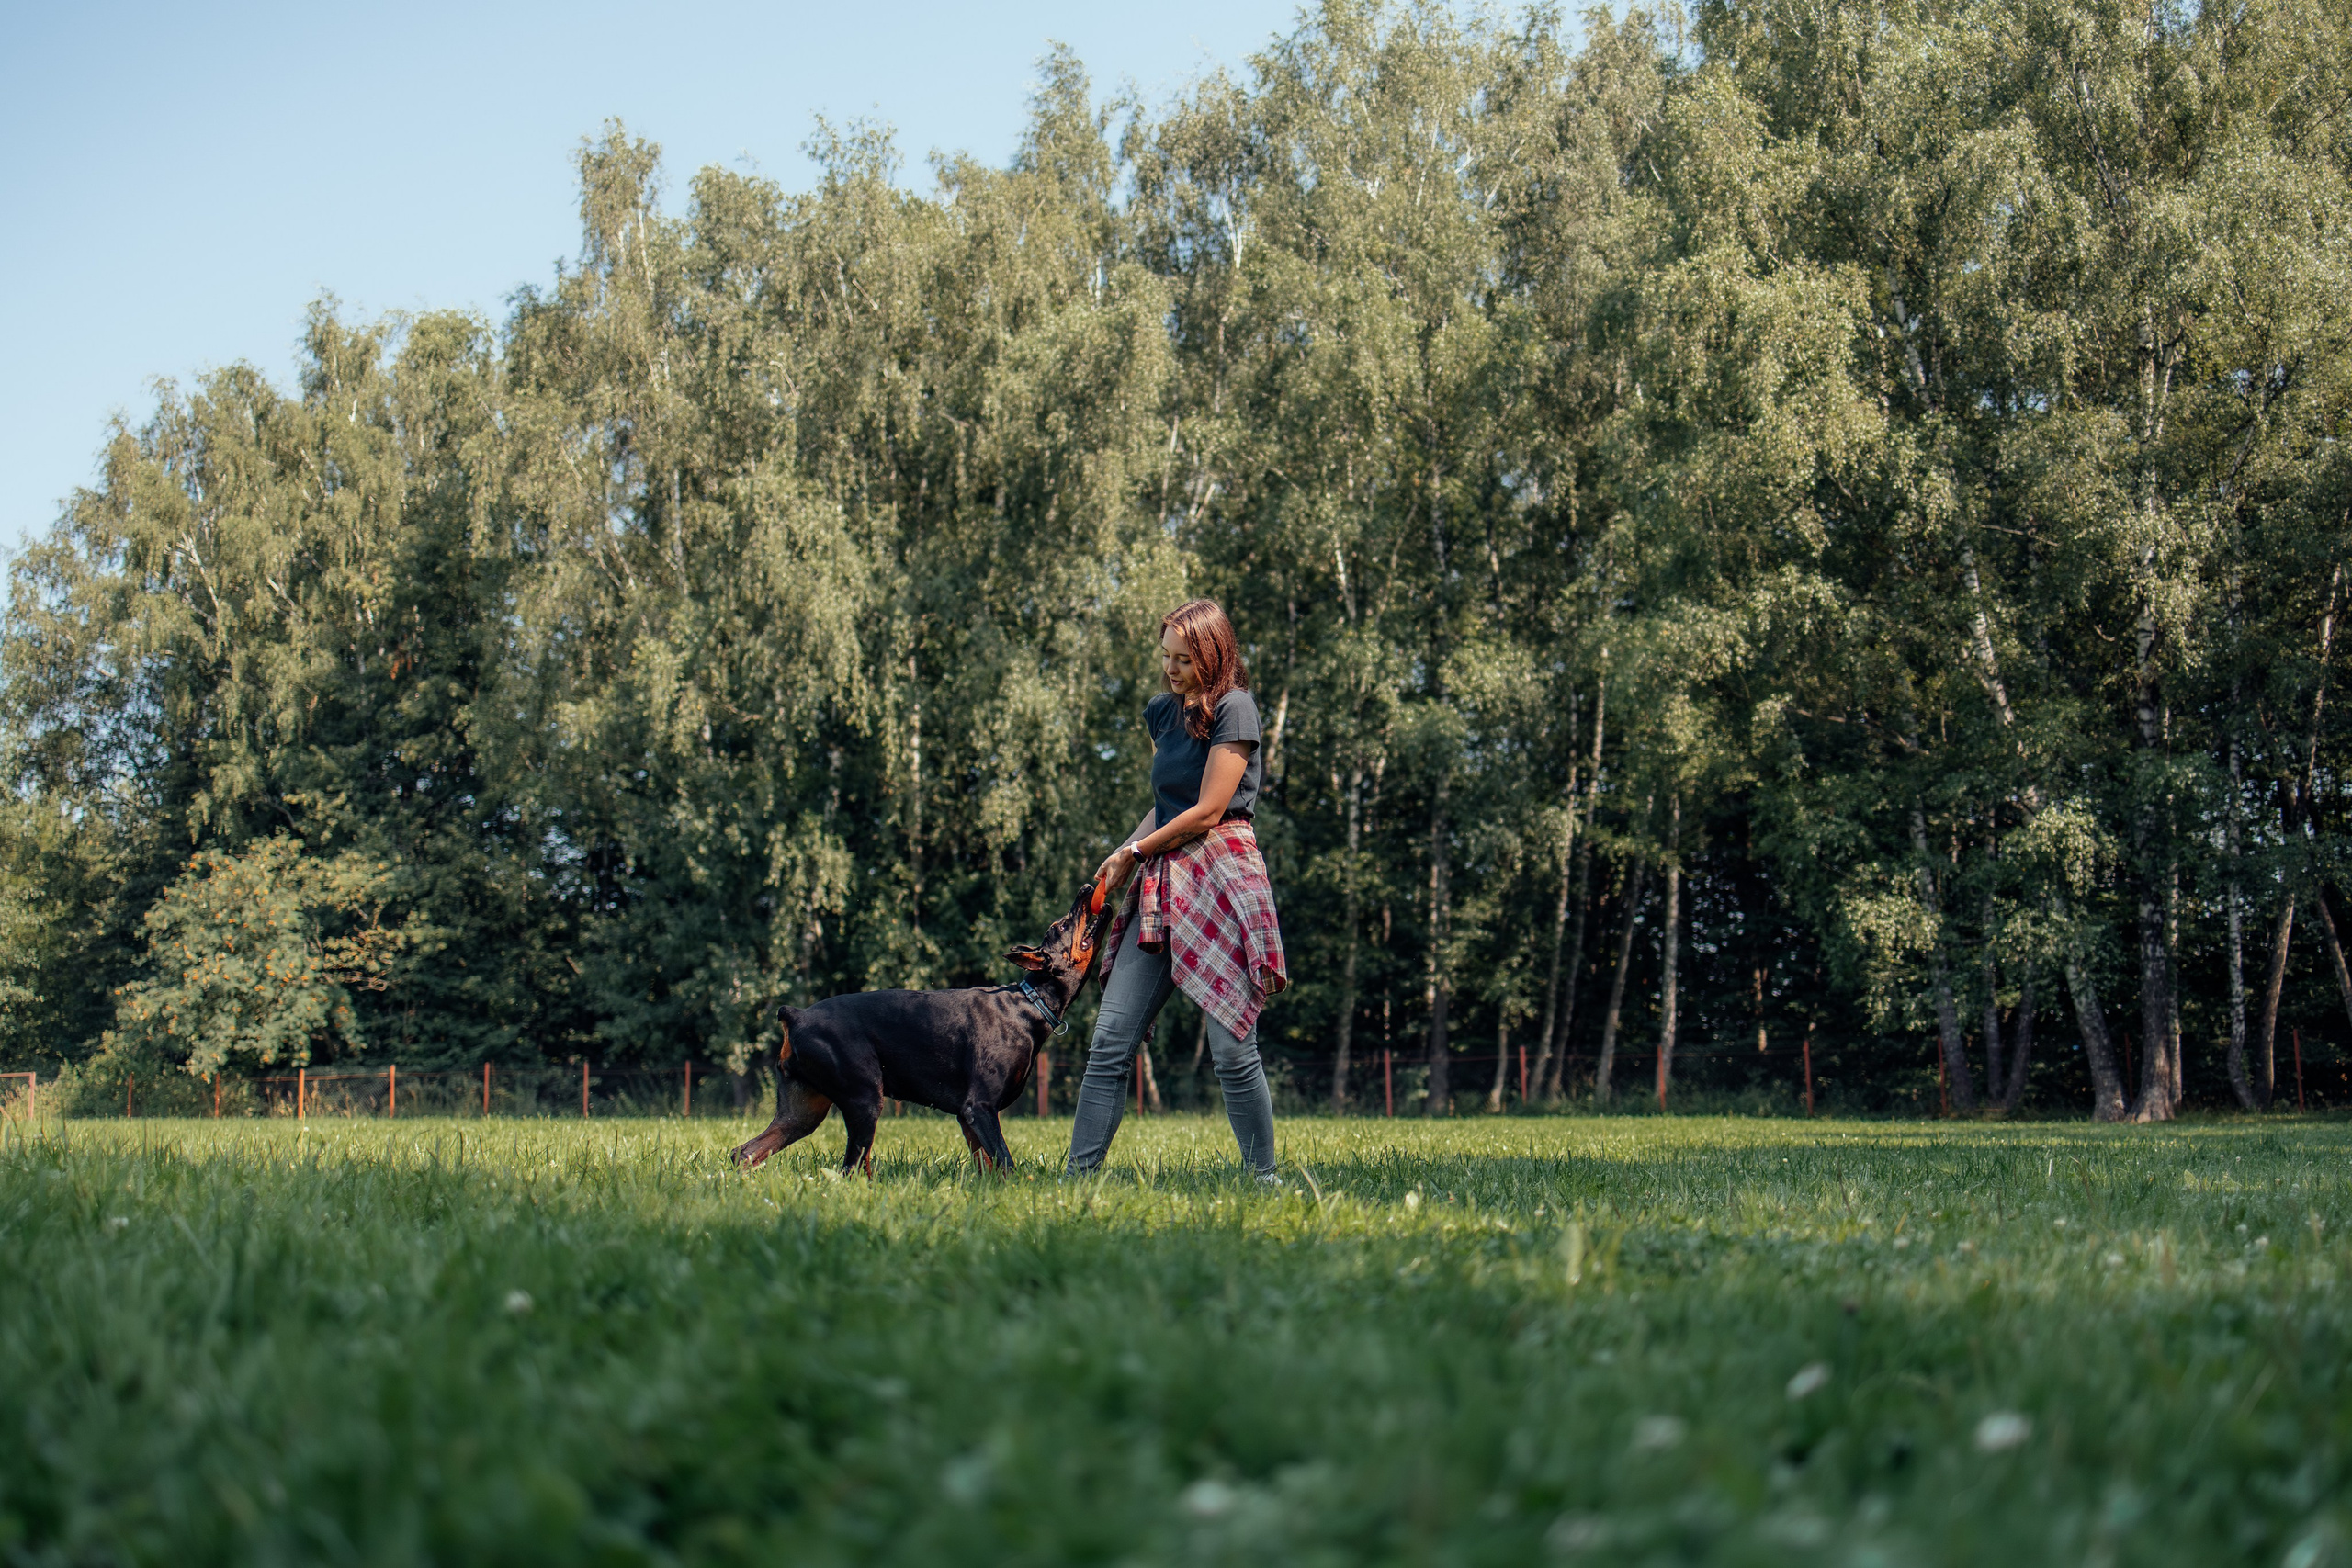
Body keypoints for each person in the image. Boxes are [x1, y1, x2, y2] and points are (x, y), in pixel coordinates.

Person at [1067, 599, 1289, 1179]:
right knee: (1110, 1041)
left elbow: (1209, 810)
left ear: (1212, 656)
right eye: (1166, 656)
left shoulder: (1236, 709)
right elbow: (1167, 806)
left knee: (1233, 1048)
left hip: (1219, 877)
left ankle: (1263, 1180)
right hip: (1163, 883)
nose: (1171, 669)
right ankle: (1077, 1180)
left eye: (1185, 660)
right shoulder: (1163, 713)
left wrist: (1138, 851)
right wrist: (1121, 856)